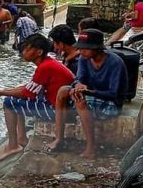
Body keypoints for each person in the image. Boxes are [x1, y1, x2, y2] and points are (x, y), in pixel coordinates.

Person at [0, 33, 75, 161]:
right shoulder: (48, 63)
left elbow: (27, 93)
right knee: (16, 97)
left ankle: (13, 145)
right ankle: (21, 137)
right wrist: (0, 91)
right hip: (62, 105)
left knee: (9, 103)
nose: (23, 51)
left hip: (59, 111)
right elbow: (28, 89)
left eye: (27, 49)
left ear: (39, 52)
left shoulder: (45, 67)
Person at [49, 29, 129, 159]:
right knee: (63, 90)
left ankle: (91, 147)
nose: (81, 51)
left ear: (97, 49)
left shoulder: (115, 62)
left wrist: (89, 92)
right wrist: (78, 86)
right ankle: (59, 139)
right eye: (80, 48)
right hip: (92, 96)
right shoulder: (84, 59)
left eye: (85, 48)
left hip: (111, 103)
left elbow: (113, 94)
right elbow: (78, 79)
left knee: (81, 102)